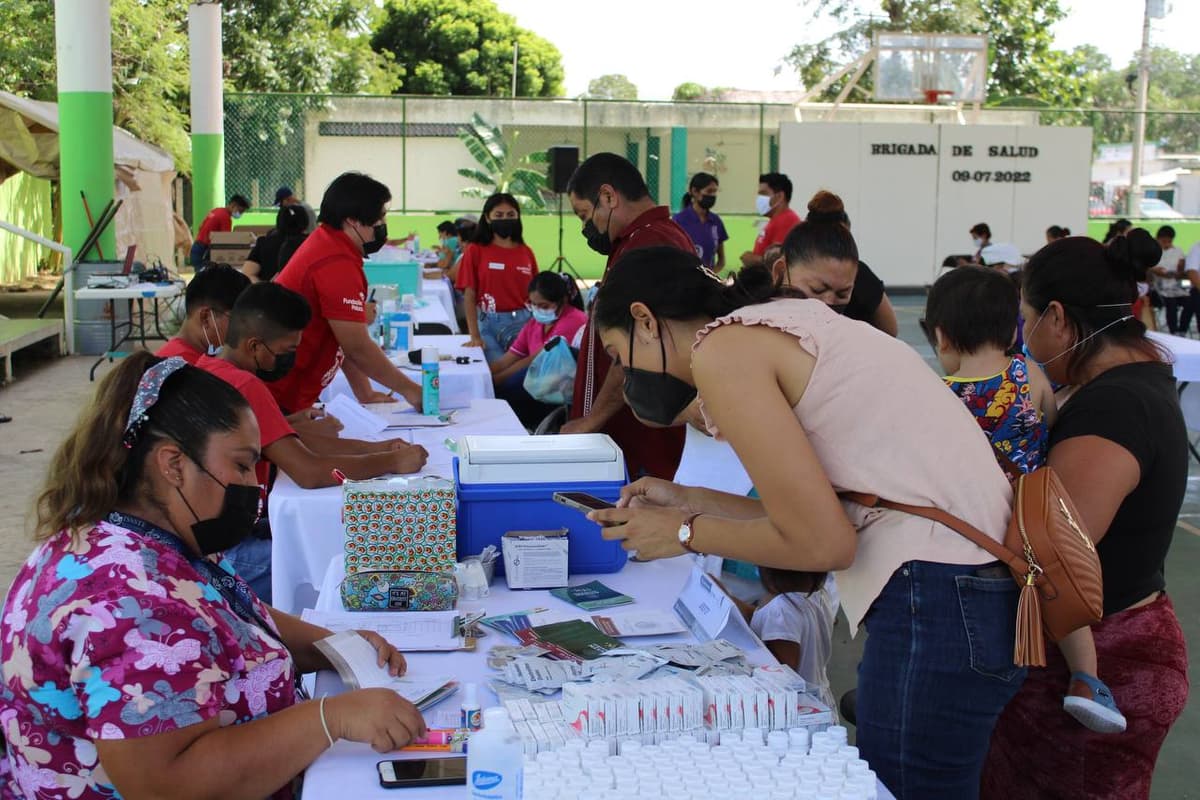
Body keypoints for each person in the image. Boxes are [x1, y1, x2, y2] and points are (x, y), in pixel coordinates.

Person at [588, 246, 1021, 799]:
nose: (628, 372)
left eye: (619, 354)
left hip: (937, 595)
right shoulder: (786, 320)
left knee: (903, 788)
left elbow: (822, 543)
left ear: (645, 321)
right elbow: (806, 515)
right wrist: (686, 501)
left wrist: (681, 533)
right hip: (967, 588)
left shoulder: (722, 350)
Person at [0, 353, 428, 800]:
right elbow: (166, 784)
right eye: (242, 465)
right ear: (173, 465)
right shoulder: (128, 600)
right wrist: (330, 719)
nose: (254, 484)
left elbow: (236, 617)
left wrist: (336, 645)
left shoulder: (140, 536)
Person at [982, 231, 1189, 800]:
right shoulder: (1126, 385)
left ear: (1056, 316)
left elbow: (1049, 549)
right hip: (1115, 642)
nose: (1024, 338)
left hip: (1107, 658)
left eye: (1026, 319)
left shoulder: (1116, 405)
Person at [926, 266, 1126, 733]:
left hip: (975, 525)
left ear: (943, 337)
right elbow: (1052, 422)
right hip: (1035, 514)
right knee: (1062, 594)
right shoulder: (1028, 373)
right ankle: (1088, 682)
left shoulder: (942, 395)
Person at [196, 283, 430, 600]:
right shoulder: (246, 387)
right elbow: (310, 472)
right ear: (255, 346)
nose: (291, 360)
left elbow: (298, 443)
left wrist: (380, 449)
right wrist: (390, 463)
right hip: (231, 555)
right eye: (287, 352)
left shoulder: (207, 368)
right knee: (341, 564)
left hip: (215, 539)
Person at [561, 152, 692, 480]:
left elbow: (638, 348)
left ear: (608, 197)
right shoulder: (638, 239)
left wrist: (591, 420)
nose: (585, 228)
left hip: (638, 443)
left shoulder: (650, 245)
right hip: (625, 436)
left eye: (583, 215)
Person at [269, 172, 423, 414]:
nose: (383, 226)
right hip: (281, 398)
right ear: (352, 220)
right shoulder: (334, 261)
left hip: (288, 394)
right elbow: (357, 346)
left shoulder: (329, 244)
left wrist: (366, 392)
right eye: (379, 218)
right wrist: (411, 390)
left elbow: (341, 336)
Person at [768, 190, 899, 336]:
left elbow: (890, 332)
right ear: (780, 272)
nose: (828, 303)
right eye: (817, 290)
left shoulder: (862, 277)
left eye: (842, 294)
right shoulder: (756, 317)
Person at [726, 569, 840, 713]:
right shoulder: (818, 595)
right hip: (819, 698)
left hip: (796, 706)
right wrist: (727, 598)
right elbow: (759, 618)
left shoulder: (781, 610)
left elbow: (781, 672)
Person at [490, 272, 588, 429]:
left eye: (544, 306)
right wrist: (484, 373)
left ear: (562, 301)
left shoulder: (574, 321)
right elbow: (508, 358)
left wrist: (494, 383)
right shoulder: (535, 323)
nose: (537, 310)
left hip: (554, 393)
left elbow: (533, 361)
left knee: (503, 392)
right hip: (538, 386)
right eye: (533, 304)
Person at [456, 194, 538, 362]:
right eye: (498, 215)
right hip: (488, 324)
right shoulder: (475, 250)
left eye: (510, 215)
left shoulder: (526, 252)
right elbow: (469, 295)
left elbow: (536, 294)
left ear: (518, 217)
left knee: (521, 376)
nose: (505, 219)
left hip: (525, 324)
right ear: (487, 218)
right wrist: (475, 337)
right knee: (498, 377)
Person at [156, 264, 250, 364]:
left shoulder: (204, 359)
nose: (245, 330)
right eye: (239, 321)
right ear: (205, 317)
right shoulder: (182, 369)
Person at [740, 172, 801, 268]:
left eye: (763, 193)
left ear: (780, 196)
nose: (759, 199)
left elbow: (779, 261)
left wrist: (752, 259)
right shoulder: (775, 220)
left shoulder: (787, 221)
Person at [672, 172, 728, 271]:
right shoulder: (678, 221)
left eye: (715, 191)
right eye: (709, 191)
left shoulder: (716, 221)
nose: (713, 195)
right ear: (695, 192)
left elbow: (721, 260)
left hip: (707, 283)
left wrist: (711, 276)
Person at [243, 204, 309, 283]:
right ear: (305, 222)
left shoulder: (264, 243)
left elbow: (248, 273)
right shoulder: (310, 244)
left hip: (270, 292)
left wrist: (264, 289)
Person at [191, 194, 249, 269]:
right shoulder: (226, 218)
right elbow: (225, 240)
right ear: (233, 205)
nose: (240, 214)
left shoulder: (216, 210)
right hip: (204, 250)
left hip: (197, 247)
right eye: (240, 211)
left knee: (201, 276)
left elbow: (201, 227)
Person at [1149, 225, 1187, 334]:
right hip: (1158, 289)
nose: (1166, 243)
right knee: (1171, 303)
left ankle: (1182, 329)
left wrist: (1179, 271)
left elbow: (1182, 271)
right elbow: (1148, 269)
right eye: (1163, 240)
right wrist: (1154, 270)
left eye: (1168, 240)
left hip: (1174, 286)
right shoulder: (1153, 251)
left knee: (1191, 301)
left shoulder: (1177, 251)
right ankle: (1173, 331)